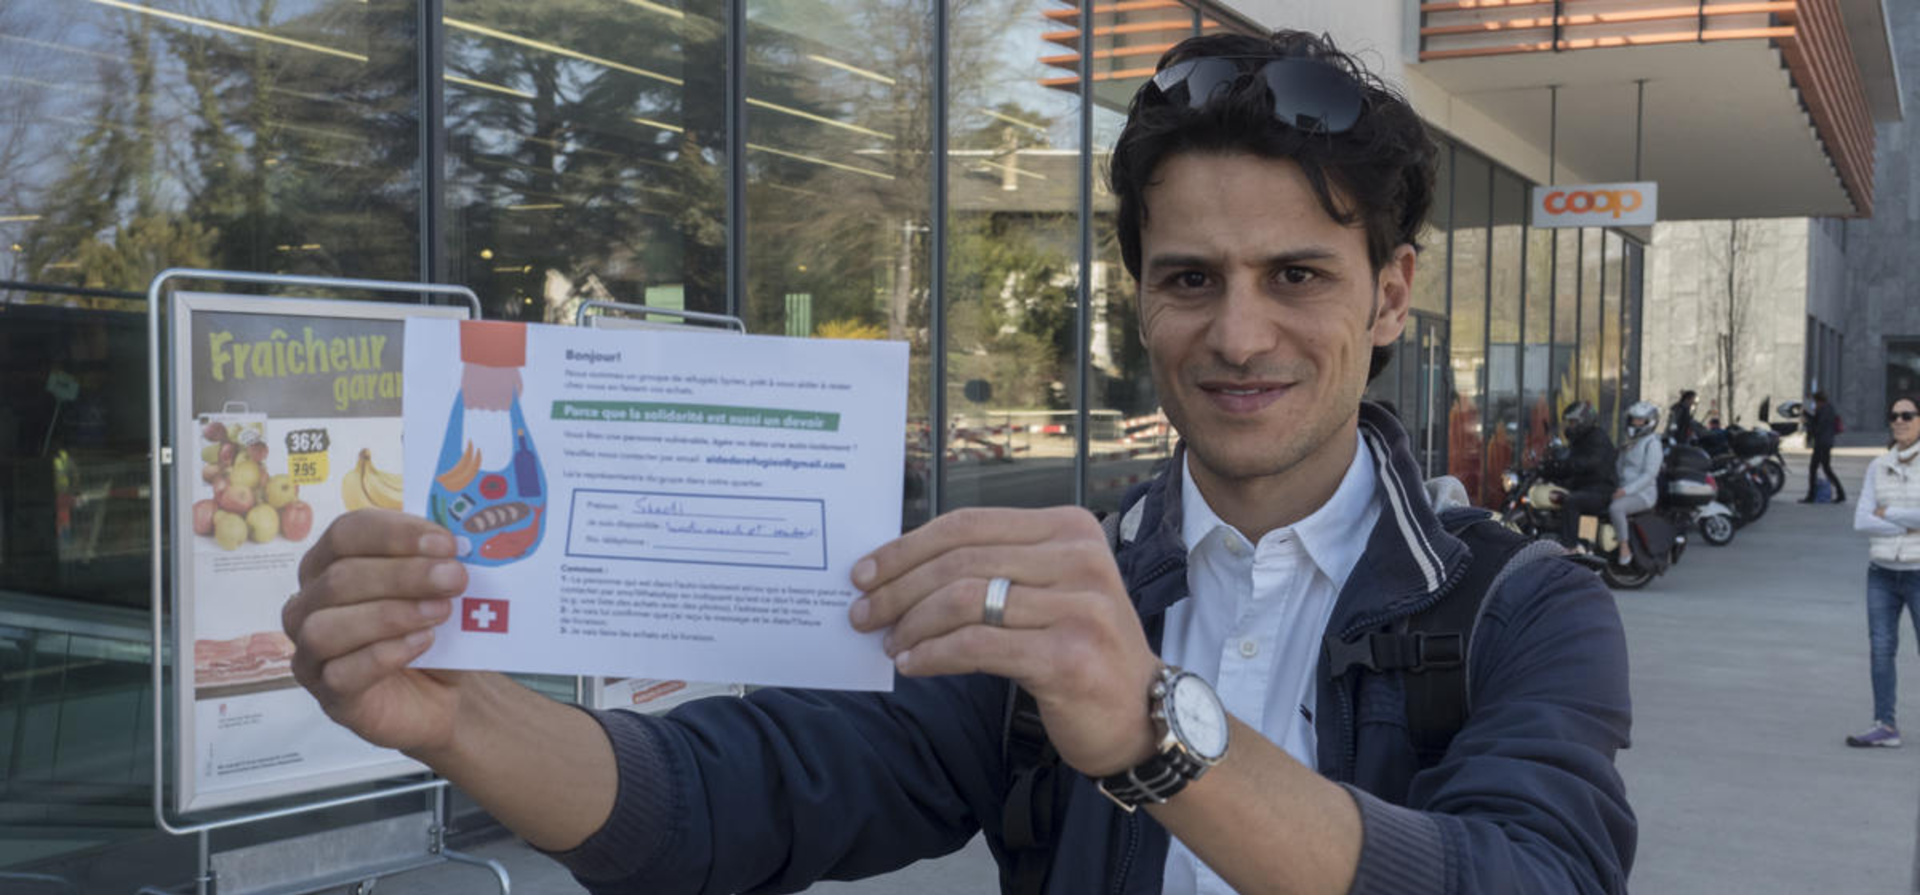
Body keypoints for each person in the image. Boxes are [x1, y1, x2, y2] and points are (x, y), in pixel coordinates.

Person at [280, 30, 1634, 895]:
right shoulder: (1058, 600)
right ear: (1139, 298)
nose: (1237, 333)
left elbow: (1532, 874)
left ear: (1390, 294)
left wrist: (1158, 732)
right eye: (1189, 277)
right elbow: (739, 796)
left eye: (1296, 275)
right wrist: (459, 717)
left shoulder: (1520, 608)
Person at [1846, 395, 1920, 747]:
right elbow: (1861, 521)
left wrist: (1887, 514)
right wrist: (1908, 525)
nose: (1899, 421)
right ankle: (1885, 726)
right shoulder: (1878, 466)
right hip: (1881, 573)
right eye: (1894, 416)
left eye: (1907, 415)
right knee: (1880, 649)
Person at [1557, 400, 1619, 549]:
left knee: (1572, 501)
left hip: (1601, 490)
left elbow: (1591, 461)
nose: (1569, 426)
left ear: (1584, 421)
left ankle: (1569, 548)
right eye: (1568, 423)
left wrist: (1570, 464)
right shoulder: (1578, 439)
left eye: (1572, 422)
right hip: (1584, 487)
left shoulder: (1597, 437)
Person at [1610, 402, 1665, 567]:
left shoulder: (1652, 444)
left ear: (1650, 422)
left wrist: (1625, 491)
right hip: (1623, 489)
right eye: (1633, 420)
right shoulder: (1631, 442)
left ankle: (1624, 547)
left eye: (1640, 421)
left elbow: (1650, 475)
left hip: (1643, 494)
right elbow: (1619, 467)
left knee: (1616, 508)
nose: (1635, 423)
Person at [1803, 390, 1845, 503]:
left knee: (1815, 469)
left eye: (1815, 402)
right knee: (1825, 468)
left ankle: (1811, 495)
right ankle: (1840, 494)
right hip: (1826, 442)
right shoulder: (1828, 408)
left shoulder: (1824, 410)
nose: (1815, 405)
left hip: (1822, 443)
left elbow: (1818, 427)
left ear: (1819, 401)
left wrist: (1808, 422)